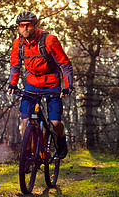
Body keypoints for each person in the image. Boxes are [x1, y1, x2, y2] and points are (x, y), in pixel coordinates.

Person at [7, 11, 74, 158]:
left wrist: (68, 86)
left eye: (28, 25)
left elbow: (65, 64)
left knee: (55, 123)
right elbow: (15, 66)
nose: (24, 29)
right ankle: (29, 156)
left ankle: (61, 140)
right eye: (21, 26)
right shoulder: (18, 44)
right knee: (26, 121)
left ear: (35, 25)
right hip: (31, 83)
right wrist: (12, 83)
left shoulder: (50, 40)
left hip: (51, 83)